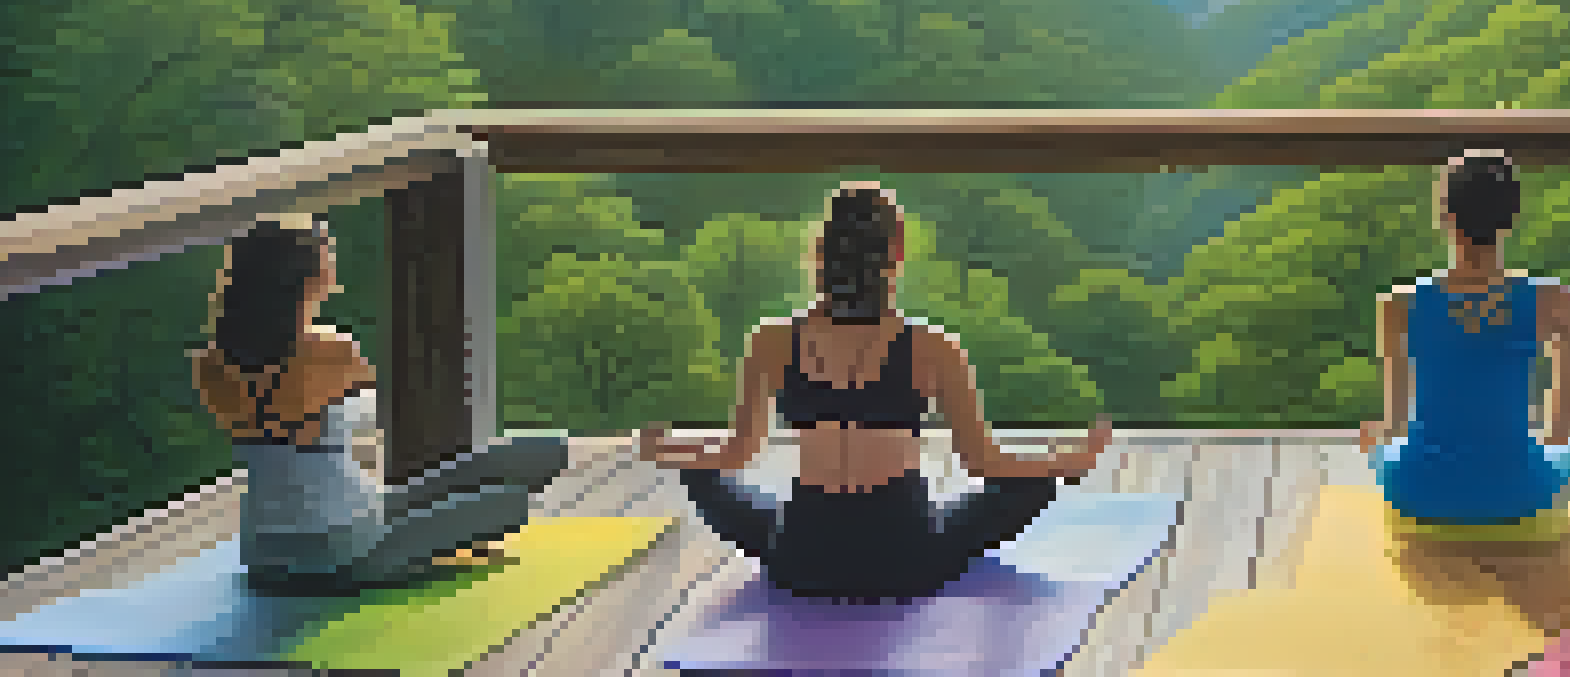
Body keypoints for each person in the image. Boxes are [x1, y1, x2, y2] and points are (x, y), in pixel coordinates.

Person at [639, 181, 1113, 601]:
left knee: (702, 478)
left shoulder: (772, 339)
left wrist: (670, 449)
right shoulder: (933, 346)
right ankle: (1053, 472)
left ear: (818, 255)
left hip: (803, 560)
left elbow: (735, 455)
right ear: (895, 256)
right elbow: (983, 463)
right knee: (1025, 486)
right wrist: (1063, 462)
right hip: (906, 559)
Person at [190, 215, 570, 594]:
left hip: (264, 548)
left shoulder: (208, 363)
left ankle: (547, 454)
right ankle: (550, 458)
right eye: (328, 252)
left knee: (456, 480)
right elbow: (375, 413)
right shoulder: (330, 350)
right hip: (344, 547)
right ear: (311, 275)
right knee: (508, 501)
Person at [1363, 151, 1570, 527]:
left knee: (1380, 453)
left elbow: (1394, 422)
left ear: (1443, 217)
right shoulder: (1556, 302)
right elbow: (1563, 426)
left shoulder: (1397, 305)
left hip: (1416, 491)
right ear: (1511, 220)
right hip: (1518, 492)